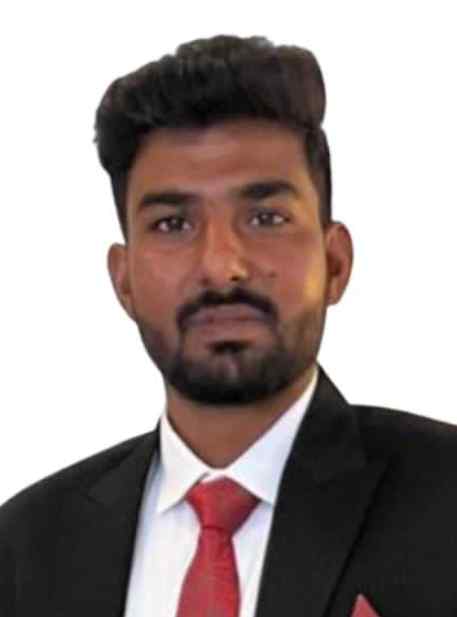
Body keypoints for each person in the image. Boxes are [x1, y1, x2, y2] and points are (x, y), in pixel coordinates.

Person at [1, 34, 456, 617]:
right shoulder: (27, 549)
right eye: (172, 224)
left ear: (335, 262)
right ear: (124, 281)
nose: (221, 267)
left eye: (266, 217)